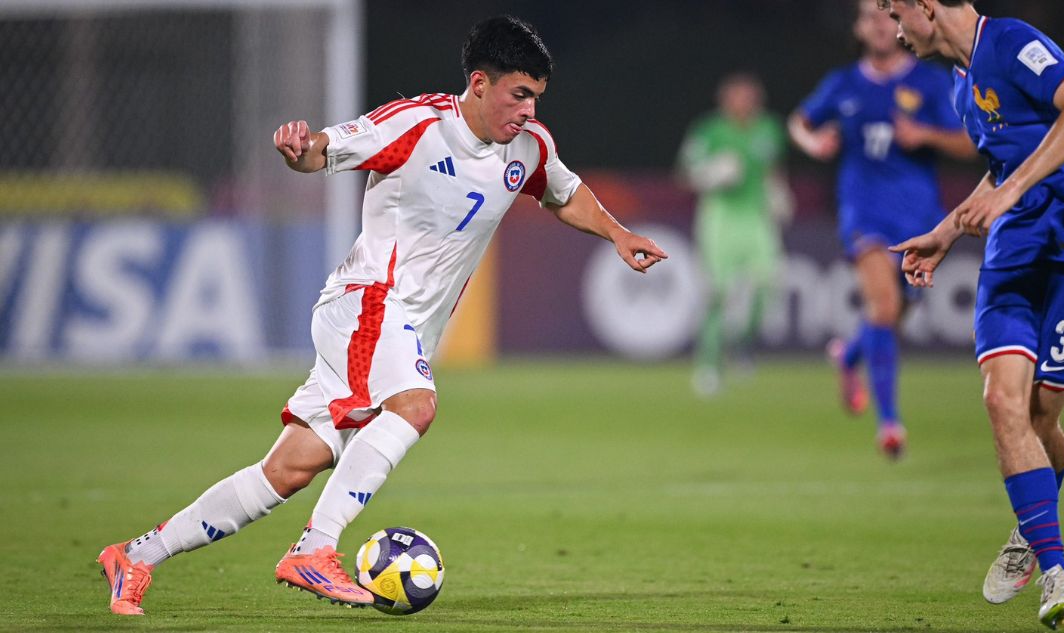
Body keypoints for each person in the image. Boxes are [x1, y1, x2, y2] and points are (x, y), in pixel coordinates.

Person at [95, 15, 666, 615]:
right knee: (415, 406)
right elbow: (325, 150)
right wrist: (300, 150)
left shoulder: (530, 146)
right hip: (368, 302)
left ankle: (135, 556)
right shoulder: (415, 125)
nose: (528, 110)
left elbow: (563, 192)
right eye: (519, 94)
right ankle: (315, 548)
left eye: (536, 98)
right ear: (479, 83)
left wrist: (618, 234)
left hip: (398, 329)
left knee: (289, 468)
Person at [882, 0, 1064, 628]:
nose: (895, 30)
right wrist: (945, 232)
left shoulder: (1014, 43)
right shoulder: (961, 85)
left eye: (895, 13)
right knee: (1001, 401)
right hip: (1015, 256)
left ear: (926, 7)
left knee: (1042, 414)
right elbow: (1002, 169)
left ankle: (1031, 521)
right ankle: (1057, 571)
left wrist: (1015, 188)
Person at [789, 0, 975, 458]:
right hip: (863, 212)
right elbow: (799, 122)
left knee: (894, 314)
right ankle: (890, 423)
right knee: (885, 304)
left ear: (899, 24)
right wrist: (813, 141)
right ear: (857, 28)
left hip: (918, 215)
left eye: (884, 16)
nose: (876, 24)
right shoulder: (843, 83)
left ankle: (850, 354)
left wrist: (925, 135)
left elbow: (971, 143)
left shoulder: (929, 81)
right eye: (867, 17)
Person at [678, 73, 792, 397]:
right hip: (720, 216)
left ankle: (742, 344)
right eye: (737, 97)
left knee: (768, 284)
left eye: (749, 98)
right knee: (717, 292)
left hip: (756, 216)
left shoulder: (769, 128)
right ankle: (709, 364)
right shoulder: (709, 130)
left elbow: (772, 169)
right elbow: (685, 174)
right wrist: (711, 173)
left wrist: (779, 192)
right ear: (724, 100)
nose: (743, 104)